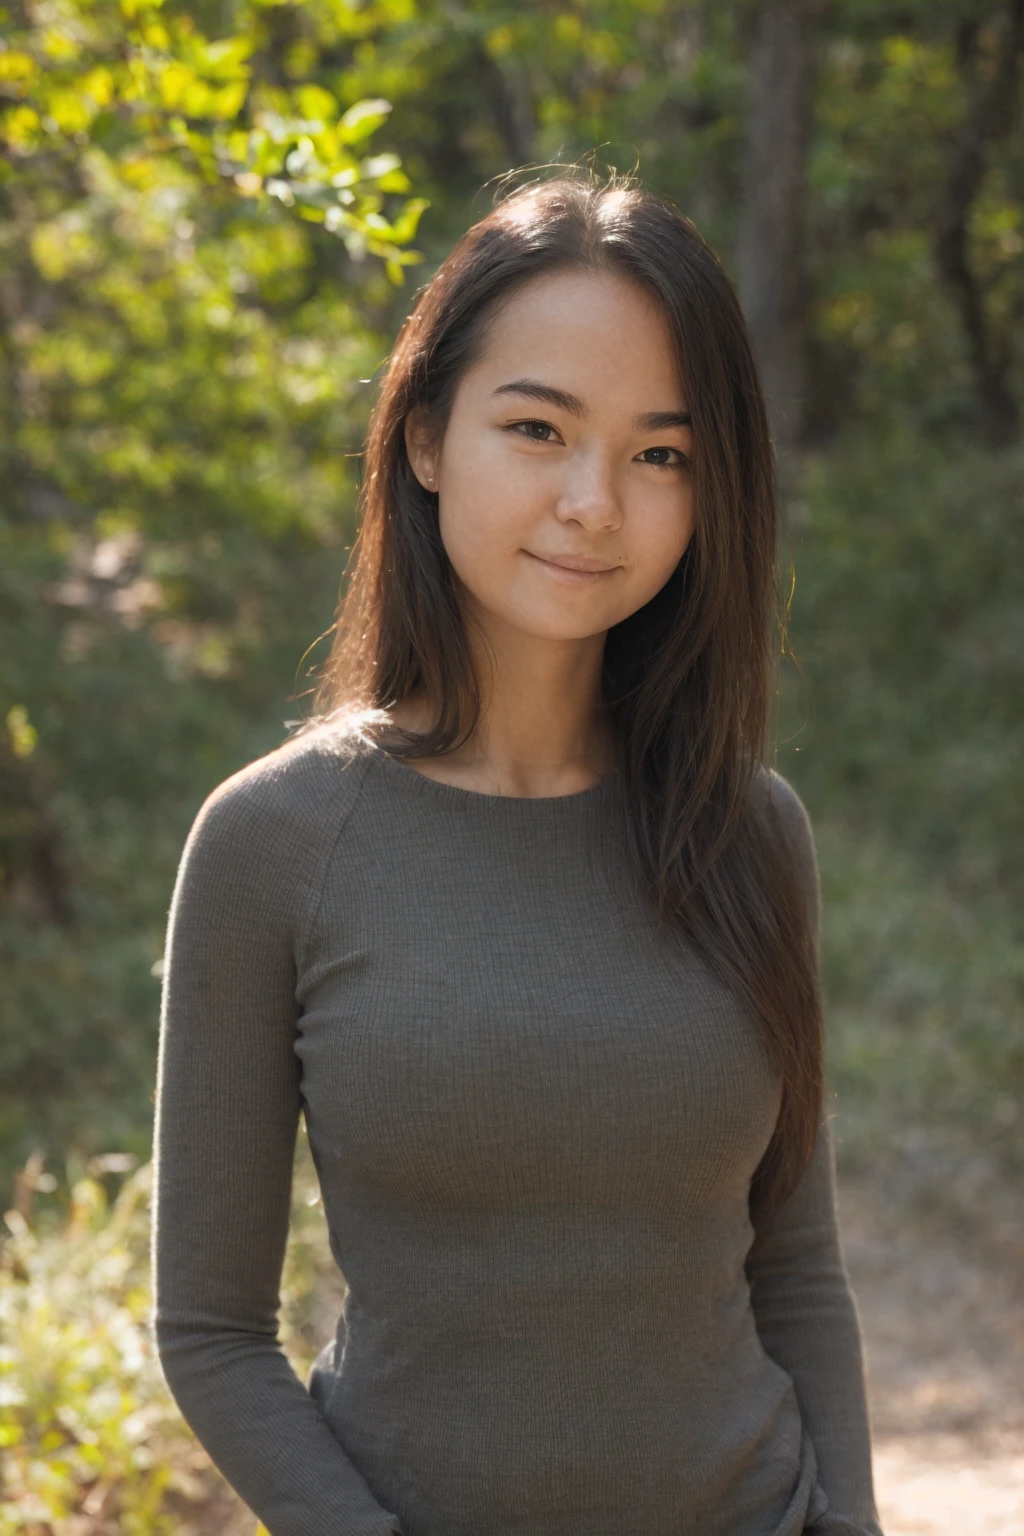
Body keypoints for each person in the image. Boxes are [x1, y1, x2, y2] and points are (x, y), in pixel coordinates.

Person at [150, 167, 884, 1536]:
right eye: (539, 428)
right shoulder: (272, 842)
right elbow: (209, 1330)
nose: (595, 501)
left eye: (661, 453)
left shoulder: (748, 829)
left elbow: (795, 1268)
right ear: (426, 436)